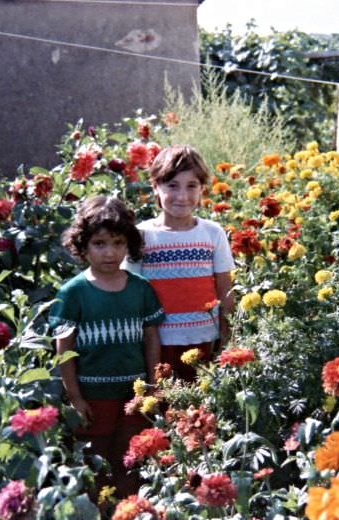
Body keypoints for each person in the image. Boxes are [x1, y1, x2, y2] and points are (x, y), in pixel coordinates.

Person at [49, 195, 164, 496]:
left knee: (131, 459)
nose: (110, 253)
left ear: (129, 245)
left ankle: (134, 518)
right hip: (92, 397)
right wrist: (74, 397)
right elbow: (64, 348)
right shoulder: (72, 293)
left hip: (133, 395)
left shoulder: (141, 289)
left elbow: (152, 336)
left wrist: (153, 383)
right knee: (94, 460)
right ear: (83, 246)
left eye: (118, 243)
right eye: (100, 244)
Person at [126, 145, 235, 380]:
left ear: (202, 189)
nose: (182, 196)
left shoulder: (212, 233)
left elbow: (225, 290)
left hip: (206, 340)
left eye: (191, 186)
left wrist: (226, 342)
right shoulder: (141, 236)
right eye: (172, 185)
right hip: (157, 345)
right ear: (155, 186)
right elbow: (130, 293)